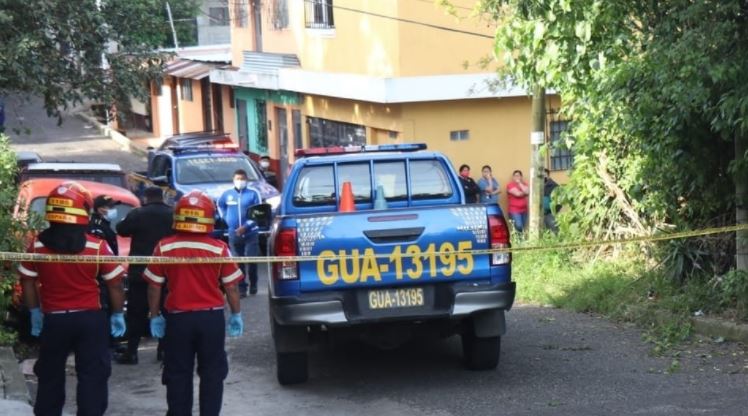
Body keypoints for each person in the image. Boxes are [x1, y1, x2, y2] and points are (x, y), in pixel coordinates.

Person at [17, 181, 126, 416]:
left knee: (49, 376)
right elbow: (115, 284)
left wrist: (35, 312)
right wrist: (117, 313)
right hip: (91, 320)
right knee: (93, 377)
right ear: (83, 210)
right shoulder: (97, 247)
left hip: (54, 320)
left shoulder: (37, 245)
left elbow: (27, 280)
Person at [144, 190, 244, 416]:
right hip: (211, 319)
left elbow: (154, 286)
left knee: (177, 374)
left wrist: (154, 315)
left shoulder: (165, 247)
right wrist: (236, 313)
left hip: (178, 320)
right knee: (212, 374)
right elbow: (231, 286)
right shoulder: (219, 248)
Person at [114, 186, 174, 365]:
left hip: (141, 272)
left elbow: (121, 229)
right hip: (166, 271)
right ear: (162, 197)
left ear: (146, 198)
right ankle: (163, 350)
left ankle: (132, 352)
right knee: (165, 310)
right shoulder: (172, 214)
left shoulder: (138, 214)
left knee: (136, 313)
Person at [217, 169, 261, 296]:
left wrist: (246, 226)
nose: (240, 181)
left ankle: (254, 284)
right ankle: (242, 288)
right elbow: (220, 206)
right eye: (237, 179)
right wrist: (227, 219)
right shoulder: (226, 194)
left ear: (246, 180)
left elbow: (258, 212)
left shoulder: (253, 193)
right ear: (233, 180)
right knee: (238, 262)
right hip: (234, 233)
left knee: (252, 260)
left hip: (251, 233)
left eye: (242, 179)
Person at [543, 169, 560, 234]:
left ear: (548, 175)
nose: (543, 177)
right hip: (540, 214)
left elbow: (558, 201)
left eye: (544, 175)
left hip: (550, 213)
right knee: (545, 232)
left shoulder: (554, 185)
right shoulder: (538, 186)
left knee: (554, 229)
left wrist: (554, 211)